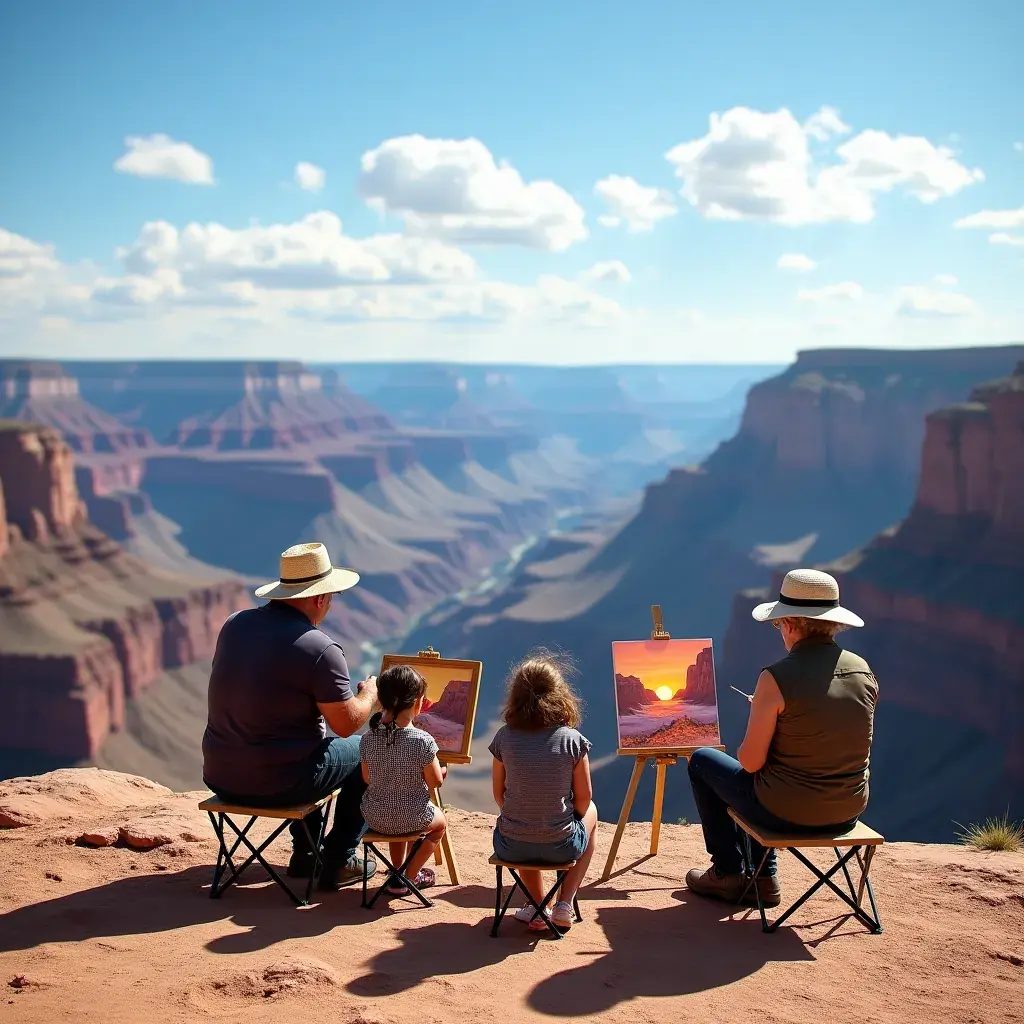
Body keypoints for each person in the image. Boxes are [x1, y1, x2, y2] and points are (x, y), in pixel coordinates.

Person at [685, 568, 878, 908]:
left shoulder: (776, 678)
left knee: (703, 761)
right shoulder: (863, 671)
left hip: (786, 813)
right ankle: (762, 878)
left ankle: (729, 873)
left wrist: (763, 716)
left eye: (778, 625)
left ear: (789, 624)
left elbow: (750, 762)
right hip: (847, 810)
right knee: (772, 777)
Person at [202, 541, 380, 890]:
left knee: (307, 741)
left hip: (220, 776)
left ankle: (307, 856)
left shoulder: (234, 625)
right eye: (332, 596)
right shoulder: (320, 648)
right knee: (368, 749)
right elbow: (346, 725)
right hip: (280, 785)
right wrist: (369, 695)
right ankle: (340, 860)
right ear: (320, 598)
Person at [489, 652, 598, 931]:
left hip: (510, 846)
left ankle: (538, 907)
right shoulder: (573, 740)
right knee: (592, 811)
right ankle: (564, 904)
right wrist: (566, 820)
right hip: (561, 846)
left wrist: (525, 813)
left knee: (523, 817)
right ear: (560, 695)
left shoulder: (503, 737)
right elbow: (584, 798)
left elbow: (498, 794)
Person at [359, 664, 448, 895]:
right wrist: (441, 771)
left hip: (375, 817)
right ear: (418, 702)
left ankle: (397, 870)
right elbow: (435, 782)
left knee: (396, 817)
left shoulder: (367, 738)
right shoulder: (423, 740)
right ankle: (409, 877)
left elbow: (367, 778)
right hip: (412, 817)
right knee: (440, 825)